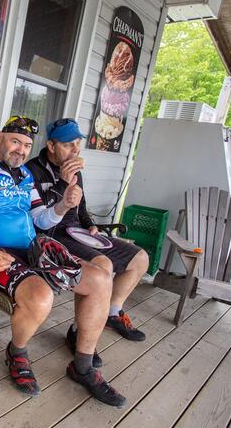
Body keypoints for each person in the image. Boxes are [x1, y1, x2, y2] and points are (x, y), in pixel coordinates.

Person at [0, 116, 126, 407]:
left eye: (27, 145)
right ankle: (16, 351)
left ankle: (82, 367)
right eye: (15, 141)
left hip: (34, 248)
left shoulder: (25, 176)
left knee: (100, 279)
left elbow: (40, 219)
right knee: (41, 298)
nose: (20, 150)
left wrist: (64, 205)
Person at [26, 118, 150, 364]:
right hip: (52, 236)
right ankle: (78, 332)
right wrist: (62, 182)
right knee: (103, 265)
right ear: (51, 145)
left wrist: (90, 224)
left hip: (78, 232)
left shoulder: (75, 170)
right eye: (68, 145)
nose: (76, 150)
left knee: (140, 258)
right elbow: (40, 220)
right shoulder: (32, 171)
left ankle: (113, 313)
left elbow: (81, 205)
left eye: (78, 143)